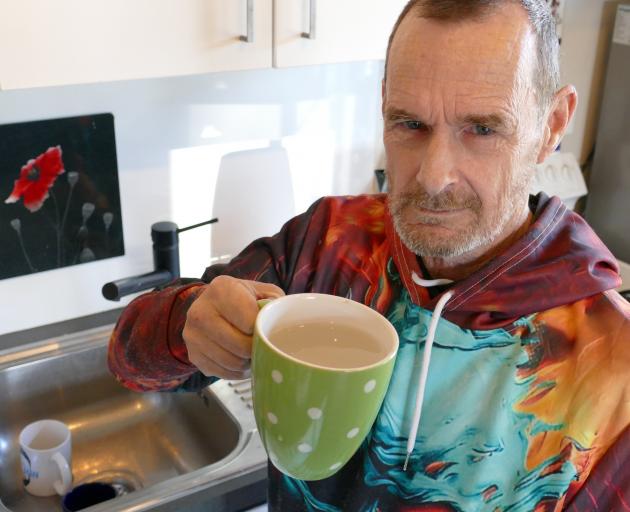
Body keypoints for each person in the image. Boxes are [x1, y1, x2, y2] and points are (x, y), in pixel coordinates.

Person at [108, 0, 630, 510]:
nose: (433, 176)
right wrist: (187, 323)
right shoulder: (331, 239)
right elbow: (128, 361)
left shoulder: (613, 372)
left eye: (483, 128)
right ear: (383, 104)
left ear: (552, 124)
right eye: (410, 125)